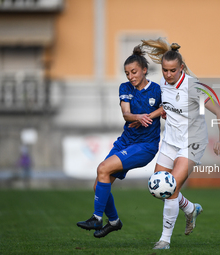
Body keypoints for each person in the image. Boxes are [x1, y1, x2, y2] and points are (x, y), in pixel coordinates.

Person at [141, 38, 220, 249]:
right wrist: (164, 112)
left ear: (181, 68)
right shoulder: (162, 84)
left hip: (192, 141)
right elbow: (169, 106)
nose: (168, 75)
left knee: (170, 188)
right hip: (170, 140)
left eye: (173, 71)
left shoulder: (193, 87)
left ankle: (165, 240)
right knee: (157, 188)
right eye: (165, 70)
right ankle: (189, 208)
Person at [77, 45, 163, 238]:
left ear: (144, 70)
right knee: (98, 183)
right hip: (125, 142)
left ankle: (97, 218)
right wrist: (137, 117)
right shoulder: (125, 88)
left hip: (145, 146)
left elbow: (165, 109)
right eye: (127, 73)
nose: (130, 76)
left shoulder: (157, 90)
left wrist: (149, 115)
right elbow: (126, 114)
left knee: (103, 169)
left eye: (134, 72)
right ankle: (114, 221)